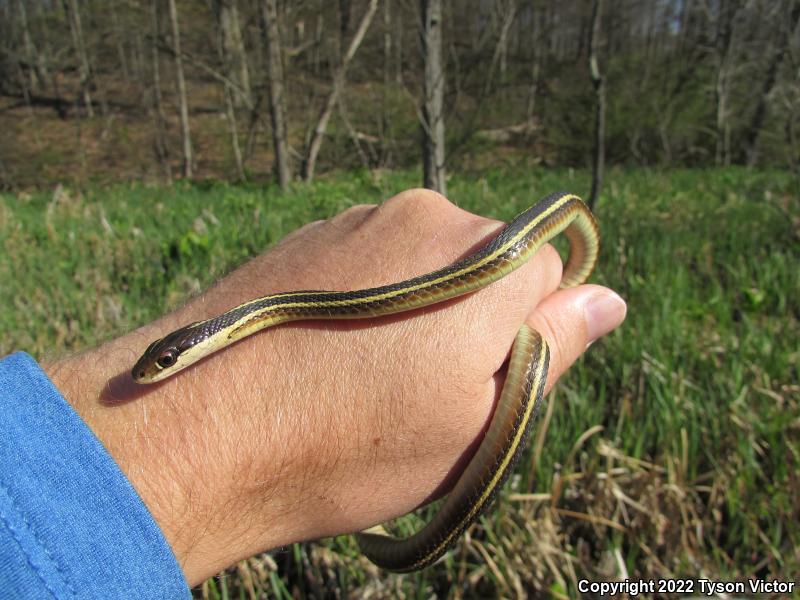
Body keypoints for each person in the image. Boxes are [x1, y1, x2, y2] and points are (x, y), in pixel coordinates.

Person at [0, 189, 626, 598]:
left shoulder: (271, 308)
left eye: (166, 362)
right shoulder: (262, 311)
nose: (159, 369)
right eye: (164, 362)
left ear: (190, 346)